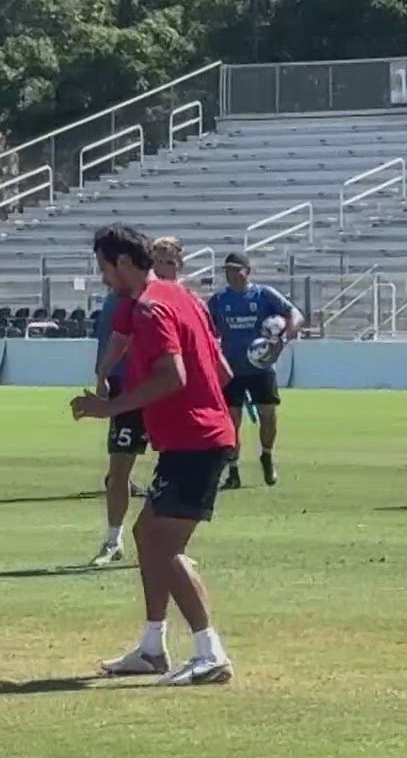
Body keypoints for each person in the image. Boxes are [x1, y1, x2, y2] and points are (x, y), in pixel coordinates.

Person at [74, 224, 238, 686]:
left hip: (196, 441)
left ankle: (211, 653)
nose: (103, 277)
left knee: (162, 544)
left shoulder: (150, 309)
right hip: (197, 436)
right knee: (149, 536)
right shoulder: (181, 297)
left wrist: (108, 406)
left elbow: (172, 377)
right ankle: (152, 647)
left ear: (123, 263)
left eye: (104, 267)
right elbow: (221, 372)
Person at [89, 237, 186, 566]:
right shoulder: (126, 301)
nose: (163, 263)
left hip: (165, 393)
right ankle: (113, 539)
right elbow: (116, 339)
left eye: (169, 259)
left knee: (175, 467)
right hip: (127, 390)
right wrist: (102, 376)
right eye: (159, 257)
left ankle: (172, 543)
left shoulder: (178, 301)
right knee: (118, 469)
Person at [206, 252, 302, 488]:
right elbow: (207, 329)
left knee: (268, 416)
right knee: (231, 422)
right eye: (227, 270)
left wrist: (283, 338)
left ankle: (266, 455)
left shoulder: (263, 295)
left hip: (261, 367)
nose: (231, 274)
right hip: (231, 369)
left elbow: (295, 314)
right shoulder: (219, 300)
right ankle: (233, 470)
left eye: (236, 269)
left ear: (247, 271)